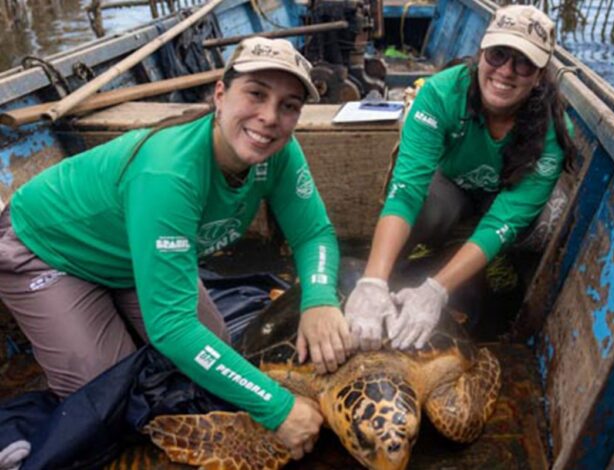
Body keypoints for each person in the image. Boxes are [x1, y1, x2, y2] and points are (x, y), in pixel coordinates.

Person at [0, 37, 352, 460]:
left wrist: (318, 298)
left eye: (289, 105)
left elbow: (313, 232)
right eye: (256, 94)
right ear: (220, 96)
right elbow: (173, 328)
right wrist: (277, 408)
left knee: (215, 349)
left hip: (130, 257)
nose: (269, 118)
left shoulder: (278, 153)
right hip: (47, 248)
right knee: (107, 394)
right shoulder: (170, 172)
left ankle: (110, 315)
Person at [345, 5, 576, 351]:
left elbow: (505, 220)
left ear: (540, 75)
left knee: (547, 219)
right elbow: (405, 190)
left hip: (501, 201)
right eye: (498, 55)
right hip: (450, 188)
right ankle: (387, 275)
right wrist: (374, 280)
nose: (506, 72)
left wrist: (435, 290)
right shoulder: (440, 93)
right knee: (423, 205)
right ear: (481, 53)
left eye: (523, 63)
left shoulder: (552, 133)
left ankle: (496, 269)